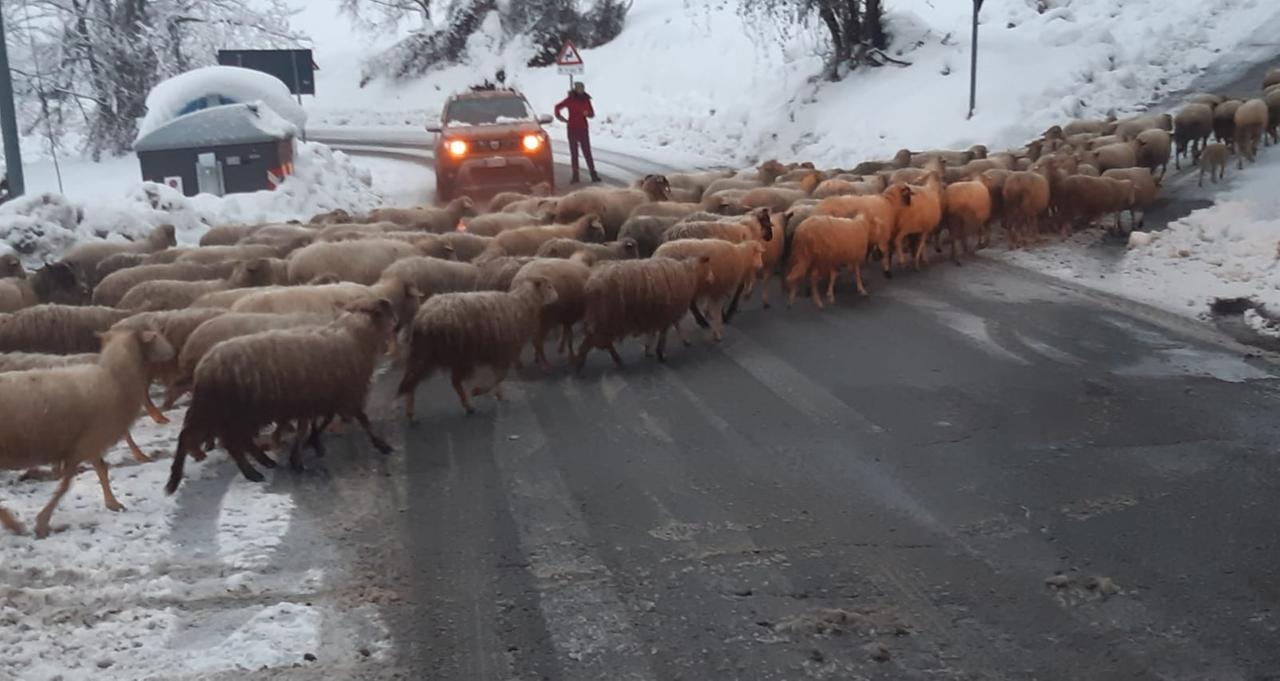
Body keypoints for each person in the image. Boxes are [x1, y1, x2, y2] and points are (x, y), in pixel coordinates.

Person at [554, 82, 601, 184]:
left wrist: (587, 113)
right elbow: (557, 107)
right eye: (579, 88)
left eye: (582, 88)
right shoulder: (570, 99)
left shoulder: (586, 99)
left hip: (583, 129)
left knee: (587, 152)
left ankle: (593, 174)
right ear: (575, 89)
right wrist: (559, 117)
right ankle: (575, 176)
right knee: (574, 153)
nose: (581, 90)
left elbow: (592, 114)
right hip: (572, 129)